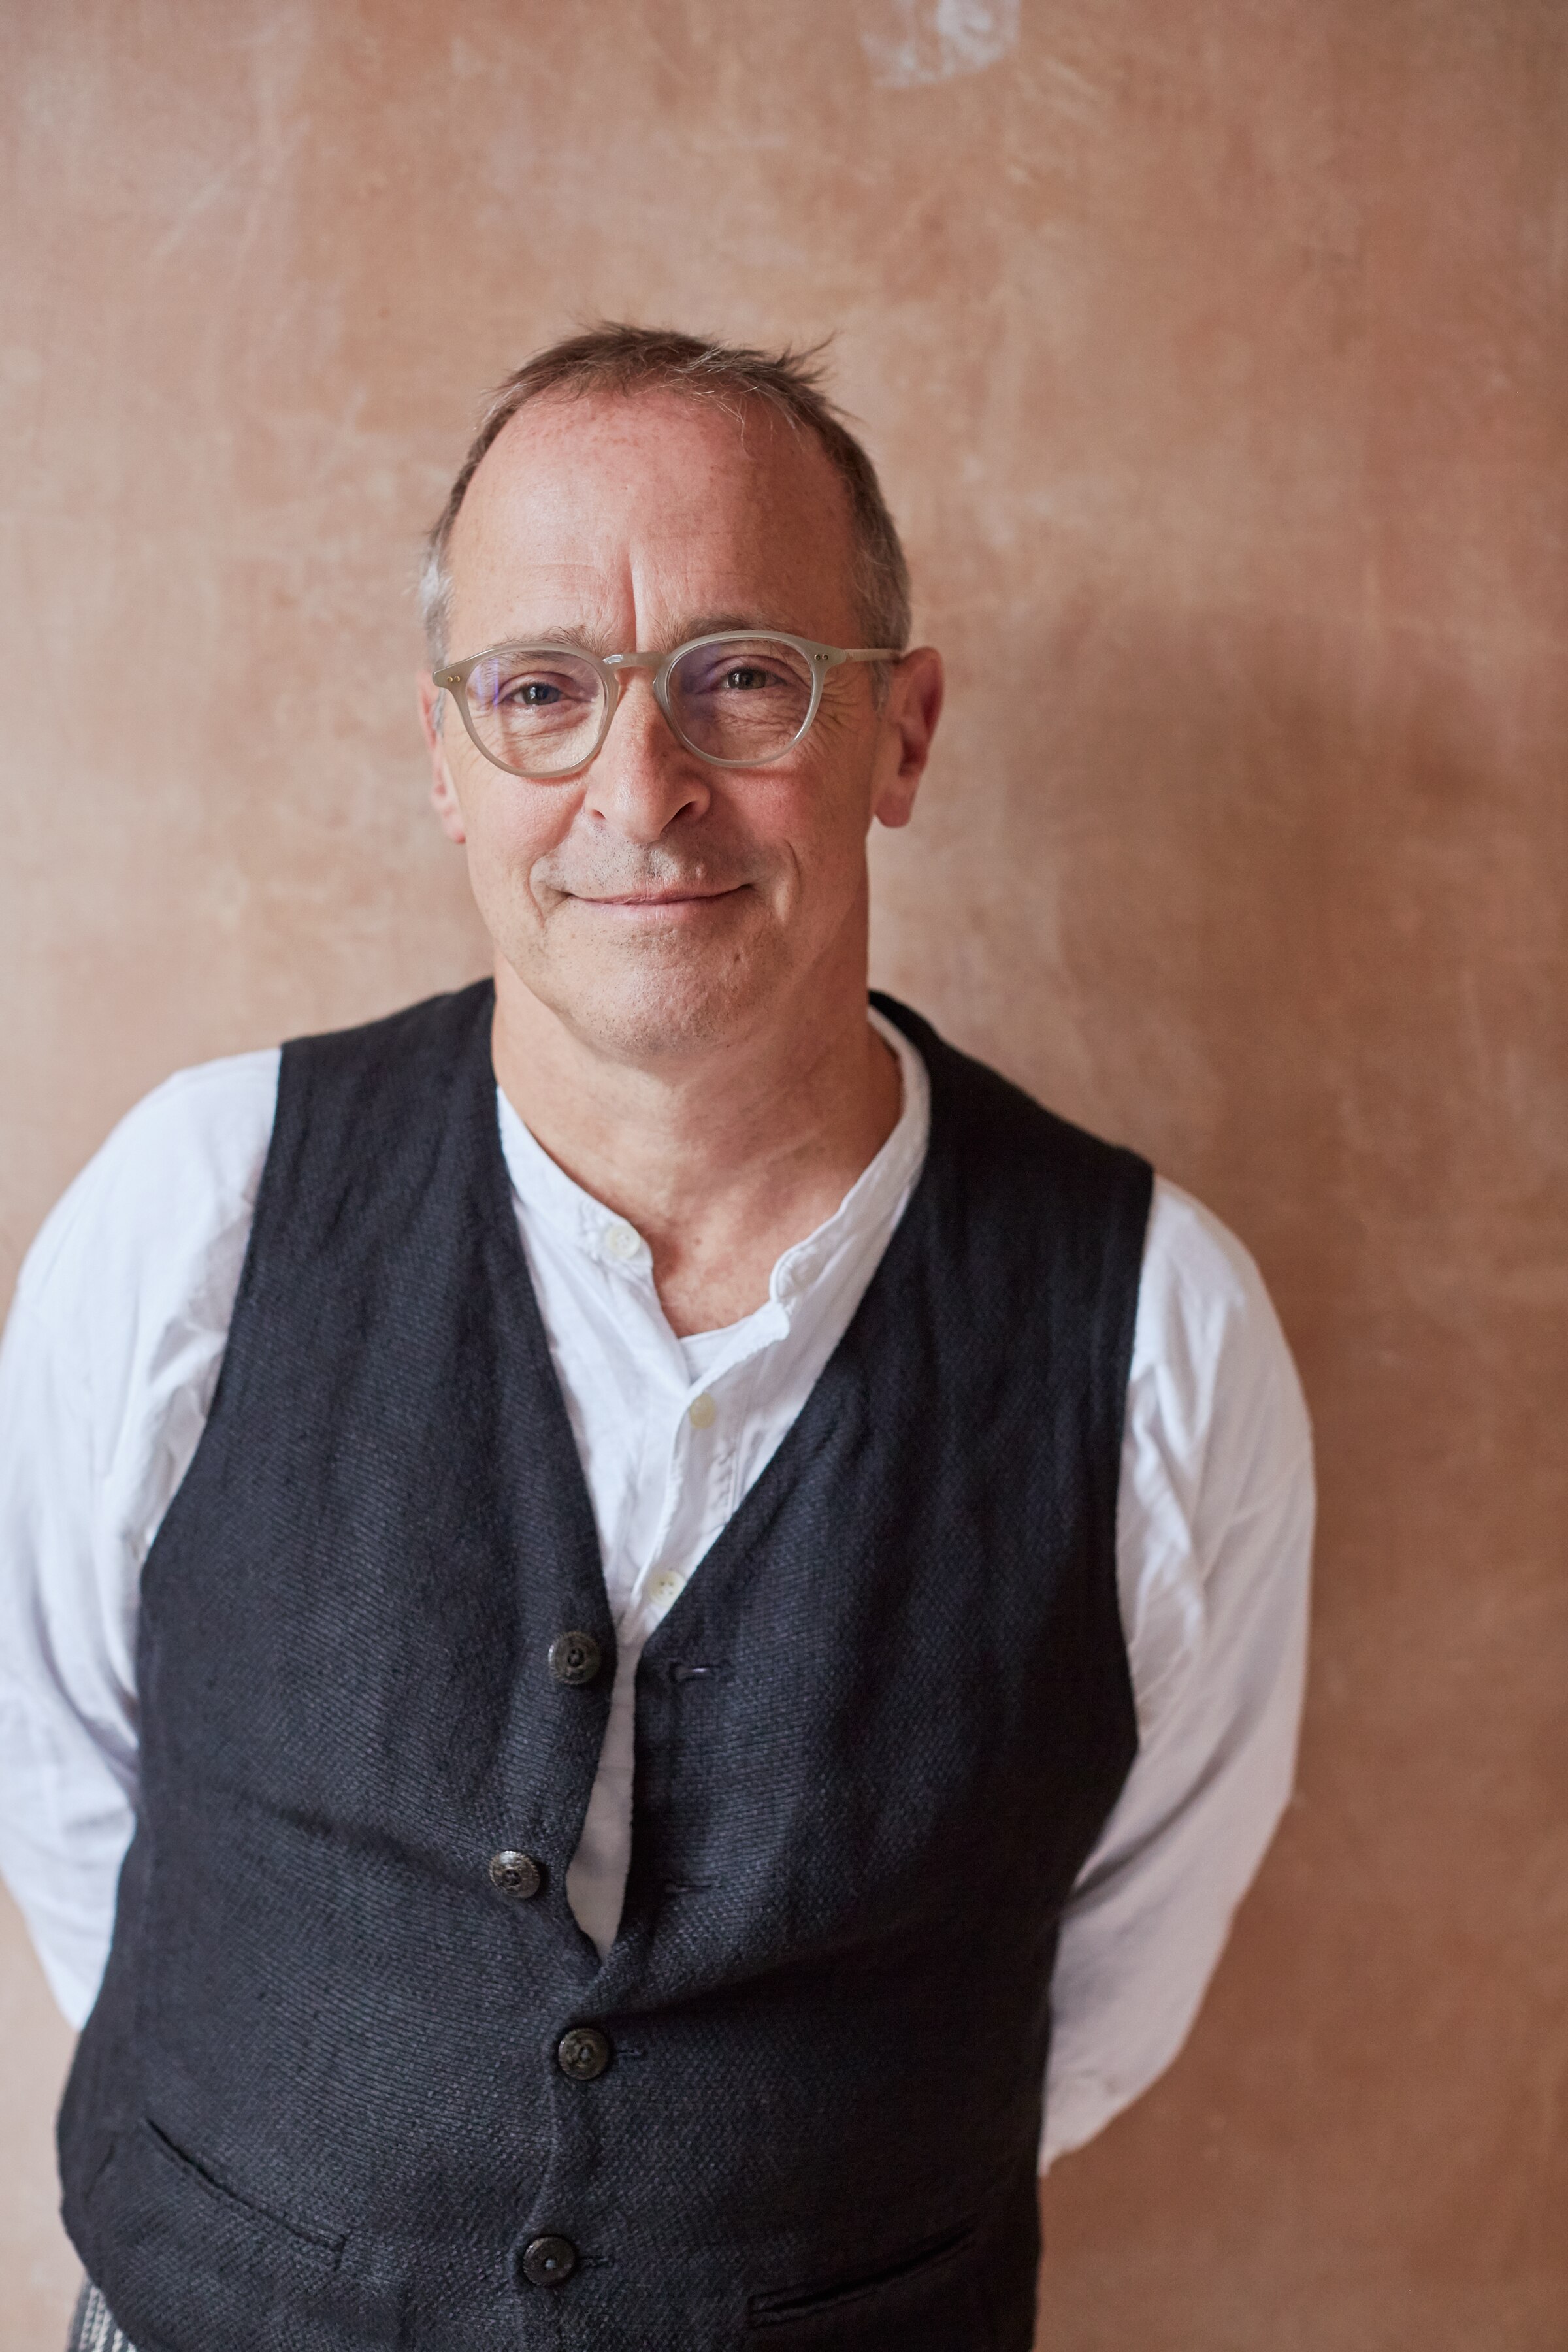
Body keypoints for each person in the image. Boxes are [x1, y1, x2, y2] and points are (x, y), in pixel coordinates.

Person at [0, 325, 1312, 2352]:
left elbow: (1111, 1969)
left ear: (900, 735)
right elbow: (64, 1777)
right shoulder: (200, 1209)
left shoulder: (1159, 1332)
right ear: (446, 760)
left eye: (742, 678)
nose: (641, 790)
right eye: (542, 691)